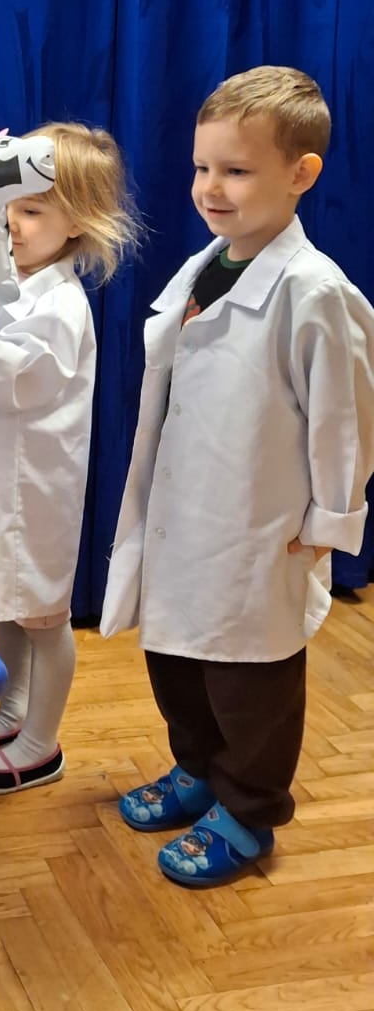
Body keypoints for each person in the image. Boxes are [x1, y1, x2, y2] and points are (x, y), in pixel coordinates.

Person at [102, 66, 374, 887]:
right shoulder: (208, 265)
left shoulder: (316, 292)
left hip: (262, 525)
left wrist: (329, 523)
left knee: (249, 677)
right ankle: (197, 767)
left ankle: (249, 809)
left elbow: (346, 420)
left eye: (237, 170)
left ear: (301, 173)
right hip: (186, 510)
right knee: (177, 656)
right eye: (201, 167)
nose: (210, 188)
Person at [0, 123, 139, 794]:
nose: (12, 222)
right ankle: (13, 711)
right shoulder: (7, 280)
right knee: (8, 603)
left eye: (33, 211)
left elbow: (21, 376)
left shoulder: (62, 304)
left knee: (41, 613)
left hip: (31, 484)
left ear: (78, 223)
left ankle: (41, 741)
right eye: (7, 206)